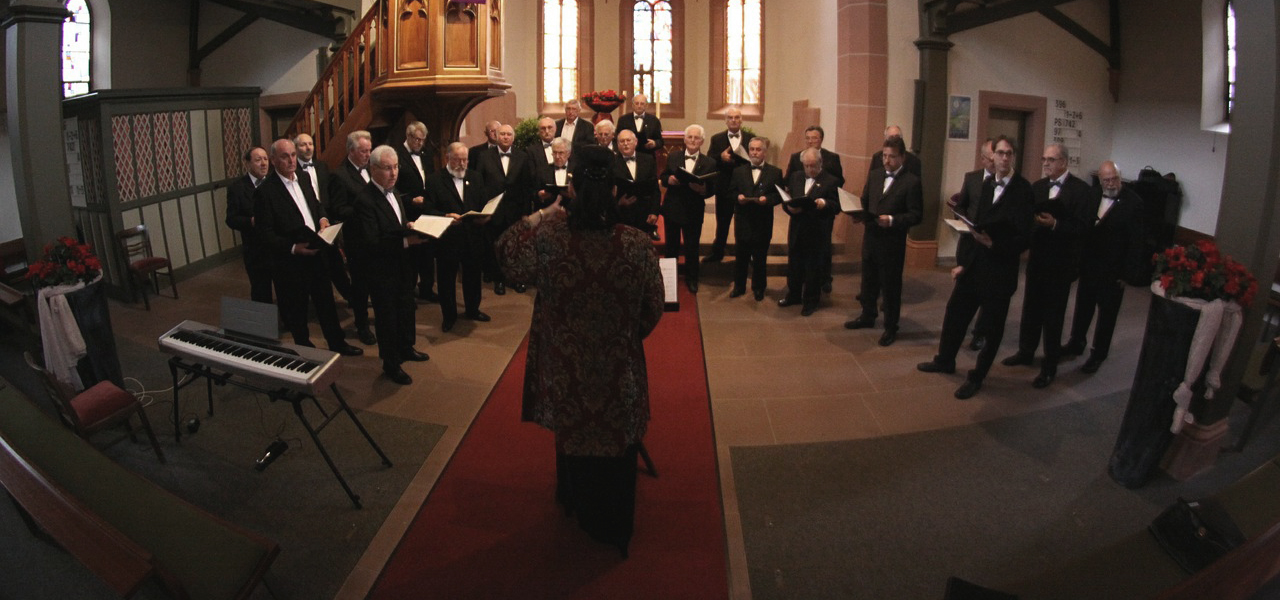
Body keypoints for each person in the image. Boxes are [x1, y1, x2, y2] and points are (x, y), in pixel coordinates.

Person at [495, 144, 664, 558]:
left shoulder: (552, 241)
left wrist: (542, 214)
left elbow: (506, 255)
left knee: (575, 445)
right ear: (614, 191)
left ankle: (574, 503)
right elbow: (653, 310)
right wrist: (618, 338)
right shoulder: (637, 245)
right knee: (617, 451)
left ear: (570, 187)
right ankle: (615, 528)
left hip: (567, 375)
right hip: (618, 376)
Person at [917, 135, 1034, 399]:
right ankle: (945, 360)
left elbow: (1026, 238)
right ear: (993, 156)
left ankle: (977, 376)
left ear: (1013, 157)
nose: (1003, 158)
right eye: (999, 153)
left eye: (1008, 154)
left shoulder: (1023, 190)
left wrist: (995, 245)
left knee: (992, 329)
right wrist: (964, 266)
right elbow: (976, 230)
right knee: (956, 312)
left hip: (1001, 271)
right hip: (976, 266)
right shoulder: (988, 184)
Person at [252, 138, 362, 356]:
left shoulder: (303, 178)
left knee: (326, 303)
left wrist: (322, 218)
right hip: (291, 260)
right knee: (296, 308)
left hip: (317, 252)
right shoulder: (265, 192)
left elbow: (316, 204)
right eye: (285, 156)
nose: (292, 160)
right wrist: (293, 248)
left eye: (293, 155)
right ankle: (303, 348)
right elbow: (265, 235)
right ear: (274, 160)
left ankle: (337, 343)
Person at [1000, 143, 1091, 388]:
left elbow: (1083, 228)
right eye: (1044, 159)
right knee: (1031, 310)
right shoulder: (1037, 187)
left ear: (1064, 162)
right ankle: (1025, 352)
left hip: (1061, 264)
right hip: (1037, 260)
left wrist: (1055, 225)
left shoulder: (1081, 190)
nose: (1046, 163)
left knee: (1053, 316)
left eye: (1051, 159)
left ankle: (1049, 366)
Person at [346, 145, 430, 385]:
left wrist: (408, 226)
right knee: (387, 318)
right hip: (381, 270)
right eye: (387, 168)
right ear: (373, 169)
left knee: (405, 309)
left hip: (401, 265)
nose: (393, 173)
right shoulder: (365, 199)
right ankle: (391, 363)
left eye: (395, 167)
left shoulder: (394, 191)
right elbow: (372, 243)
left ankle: (406, 348)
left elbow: (395, 224)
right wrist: (406, 240)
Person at [1062, 160, 1147, 374]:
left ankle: (1098, 354)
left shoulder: (1134, 203)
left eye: (1114, 179)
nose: (1110, 183)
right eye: (1106, 179)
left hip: (1114, 271)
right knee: (1083, 307)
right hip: (1090, 265)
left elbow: (1137, 242)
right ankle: (1076, 342)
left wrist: (1127, 274)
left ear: (1120, 177)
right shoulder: (1092, 195)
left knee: (1107, 315)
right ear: (1099, 180)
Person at [845, 136, 924, 346]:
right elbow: (865, 200)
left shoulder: (912, 182)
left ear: (902, 158)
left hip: (892, 243)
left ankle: (891, 326)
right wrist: (857, 213)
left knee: (890, 287)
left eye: (892, 157)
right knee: (868, 281)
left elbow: (916, 215)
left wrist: (892, 220)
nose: (887, 161)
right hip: (871, 238)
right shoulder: (875, 175)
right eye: (884, 156)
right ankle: (867, 315)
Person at [424, 142, 491, 333]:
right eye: (457, 160)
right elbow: (428, 209)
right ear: (447, 158)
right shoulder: (434, 180)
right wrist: (445, 217)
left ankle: (472, 309)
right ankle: (449, 316)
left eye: (465, 160)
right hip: (448, 239)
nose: (462, 164)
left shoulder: (475, 177)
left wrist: (485, 216)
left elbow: (483, 203)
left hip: (472, 236)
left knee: (472, 276)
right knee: (446, 280)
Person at [327, 130, 376, 346]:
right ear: (351, 151)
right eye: (364, 151)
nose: (368, 154)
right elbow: (338, 209)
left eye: (369, 150)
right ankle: (362, 326)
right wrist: (364, 210)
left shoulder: (373, 169)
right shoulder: (340, 175)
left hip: (377, 236)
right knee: (360, 286)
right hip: (357, 240)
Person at [778, 147, 841, 316]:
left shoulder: (831, 181)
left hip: (817, 231)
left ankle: (811, 301)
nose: (810, 169)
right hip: (797, 229)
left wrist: (824, 204)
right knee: (795, 265)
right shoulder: (796, 177)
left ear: (820, 163)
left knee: (813, 268)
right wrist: (790, 208)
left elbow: (836, 206)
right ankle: (793, 295)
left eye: (813, 166)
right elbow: (787, 200)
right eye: (806, 166)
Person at [475, 123, 535, 294]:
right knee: (495, 247)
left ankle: (515, 279)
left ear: (513, 137)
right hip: (493, 211)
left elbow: (526, 186)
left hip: (515, 210)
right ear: (496, 136)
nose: (506, 137)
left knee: (516, 246)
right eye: (502, 134)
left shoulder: (522, 156)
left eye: (509, 134)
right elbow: (480, 184)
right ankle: (498, 280)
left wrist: (525, 212)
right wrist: (483, 210)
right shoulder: (484, 156)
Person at [785, 125, 844, 293]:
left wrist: (824, 200)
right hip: (800, 216)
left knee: (821, 251)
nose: (810, 141)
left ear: (821, 139)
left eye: (814, 138)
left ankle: (823, 279)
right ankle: (796, 288)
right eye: (808, 138)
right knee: (796, 254)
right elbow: (790, 181)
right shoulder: (797, 158)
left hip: (821, 216)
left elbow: (838, 183)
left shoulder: (832, 159)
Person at [660, 124, 716, 293]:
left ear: (702, 141)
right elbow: (663, 176)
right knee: (671, 246)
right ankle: (669, 281)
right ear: (684, 139)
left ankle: (692, 279)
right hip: (673, 207)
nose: (692, 140)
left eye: (696, 137)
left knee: (692, 247)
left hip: (694, 209)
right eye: (689, 137)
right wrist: (668, 179)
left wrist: (703, 190)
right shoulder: (673, 156)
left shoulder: (710, 162)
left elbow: (712, 187)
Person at [728, 136, 782, 300]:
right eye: (752, 149)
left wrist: (768, 200)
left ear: (765, 152)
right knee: (741, 256)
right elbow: (730, 192)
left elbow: (779, 196)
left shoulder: (775, 172)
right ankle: (739, 286)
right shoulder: (738, 171)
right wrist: (738, 198)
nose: (755, 153)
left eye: (758, 150)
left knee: (760, 257)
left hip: (763, 221)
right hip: (743, 220)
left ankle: (759, 287)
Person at [394, 121, 440, 303]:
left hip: (425, 211)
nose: (420, 143)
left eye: (423, 140)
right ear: (409, 136)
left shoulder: (426, 154)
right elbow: (393, 188)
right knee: (411, 255)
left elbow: (430, 180)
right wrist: (410, 200)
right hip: (408, 212)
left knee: (427, 253)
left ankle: (426, 289)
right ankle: (408, 291)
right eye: (417, 139)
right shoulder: (397, 155)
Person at [705, 107, 755, 263]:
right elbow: (710, 160)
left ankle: (748, 254)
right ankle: (718, 252)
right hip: (724, 186)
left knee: (747, 223)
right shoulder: (717, 139)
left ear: (741, 120)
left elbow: (757, 159)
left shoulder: (751, 138)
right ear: (725, 120)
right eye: (730, 117)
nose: (734, 120)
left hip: (745, 187)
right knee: (723, 222)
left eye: (737, 117)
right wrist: (721, 157)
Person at [225, 146, 273, 304]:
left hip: (278, 246)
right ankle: (264, 325)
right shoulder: (237, 188)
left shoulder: (275, 183)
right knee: (261, 290)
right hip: (255, 248)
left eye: (265, 159)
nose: (263, 164)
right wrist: (250, 221)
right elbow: (231, 219)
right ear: (247, 163)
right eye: (258, 160)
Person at [963, 139, 997, 352]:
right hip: (969, 243)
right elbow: (961, 205)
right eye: (991, 160)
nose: (996, 164)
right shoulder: (972, 178)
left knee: (987, 293)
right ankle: (960, 325)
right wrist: (965, 221)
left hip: (992, 245)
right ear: (983, 159)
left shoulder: (1008, 184)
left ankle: (980, 333)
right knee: (965, 289)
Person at [612, 129, 660, 236]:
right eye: (622, 141)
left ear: (636, 142)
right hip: (621, 215)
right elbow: (607, 191)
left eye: (628, 140)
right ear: (618, 144)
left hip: (644, 214)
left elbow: (655, 189)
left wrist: (654, 212)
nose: (625, 144)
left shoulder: (648, 159)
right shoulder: (611, 162)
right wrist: (619, 203)